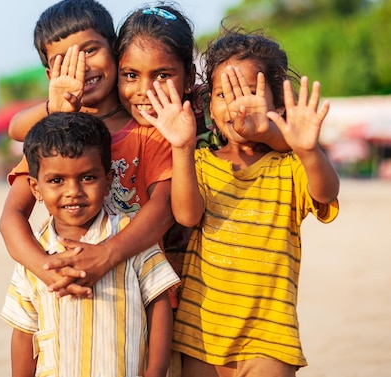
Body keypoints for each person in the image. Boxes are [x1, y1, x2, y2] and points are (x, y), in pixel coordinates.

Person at [141, 27, 340, 376]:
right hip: (200, 333)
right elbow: (187, 215)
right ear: (209, 108)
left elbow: (325, 193)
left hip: (270, 336)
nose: (235, 105)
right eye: (222, 94)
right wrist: (183, 146)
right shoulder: (200, 162)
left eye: (249, 92)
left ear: (277, 102)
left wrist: (308, 150)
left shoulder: (288, 166)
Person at [0, 0, 175, 301]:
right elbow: (11, 215)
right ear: (50, 76)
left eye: (89, 50)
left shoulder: (150, 128)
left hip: (141, 295)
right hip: (68, 292)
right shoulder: (56, 137)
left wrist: (106, 255)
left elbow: (164, 209)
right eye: (63, 61)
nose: (81, 67)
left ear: (116, 51)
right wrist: (47, 270)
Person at [1, 112, 181, 377]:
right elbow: (24, 328)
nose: (73, 190)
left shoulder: (130, 237)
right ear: (35, 188)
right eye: (56, 181)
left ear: (108, 181)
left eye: (87, 178)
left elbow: (159, 300)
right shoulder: (35, 253)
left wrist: (155, 370)